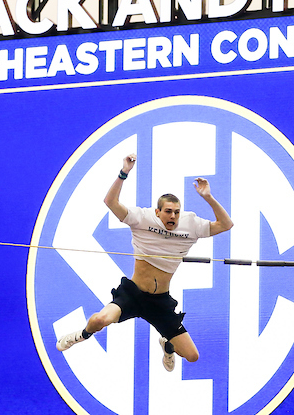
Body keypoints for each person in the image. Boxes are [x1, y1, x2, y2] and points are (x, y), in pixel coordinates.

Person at [56, 152, 234, 371]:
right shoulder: (142, 218)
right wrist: (124, 173)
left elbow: (226, 224)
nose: (173, 216)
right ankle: (80, 335)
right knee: (100, 320)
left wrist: (208, 197)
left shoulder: (191, 224)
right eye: (168, 211)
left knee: (192, 356)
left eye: (177, 212)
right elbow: (110, 202)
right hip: (132, 295)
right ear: (158, 211)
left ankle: (167, 344)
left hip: (160, 302)